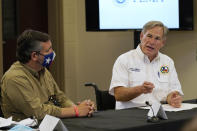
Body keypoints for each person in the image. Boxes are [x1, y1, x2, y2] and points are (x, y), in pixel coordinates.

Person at [0, 29, 95, 121]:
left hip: (49, 124)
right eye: (48, 50)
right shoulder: (14, 78)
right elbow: (38, 112)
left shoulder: (42, 70)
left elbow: (60, 97)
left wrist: (81, 108)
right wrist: (76, 111)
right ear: (34, 56)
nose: (52, 52)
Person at [109, 21, 183, 110]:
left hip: (160, 113)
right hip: (130, 114)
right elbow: (119, 95)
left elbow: (173, 90)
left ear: (162, 43)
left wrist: (172, 98)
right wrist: (140, 89)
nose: (151, 42)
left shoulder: (167, 61)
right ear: (141, 36)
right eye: (149, 36)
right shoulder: (124, 59)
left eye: (157, 38)